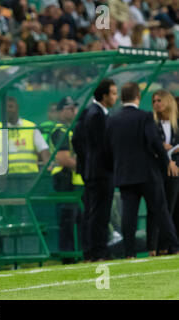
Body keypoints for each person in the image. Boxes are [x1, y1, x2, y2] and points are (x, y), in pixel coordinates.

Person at [104, 82, 179, 259]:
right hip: (147, 173)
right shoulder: (145, 117)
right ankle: (175, 246)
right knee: (161, 209)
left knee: (129, 214)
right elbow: (154, 142)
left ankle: (129, 253)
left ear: (121, 98)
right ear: (138, 97)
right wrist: (166, 161)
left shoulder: (112, 120)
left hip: (125, 174)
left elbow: (107, 148)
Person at [80, 79, 118, 262]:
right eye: (113, 93)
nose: (115, 97)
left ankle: (94, 250)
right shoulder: (96, 115)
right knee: (98, 214)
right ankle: (97, 252)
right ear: (104, 96)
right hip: (100, 172)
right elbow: (103, 146)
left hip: (96, 170)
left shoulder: (92, 112)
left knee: (96, 213)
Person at [50, 96, 84, 264]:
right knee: (68, 221)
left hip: (74, 181)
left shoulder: (70, 130)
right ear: (61, 111)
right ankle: (69, 257)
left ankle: (76, 254)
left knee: (77, 220)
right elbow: (63, 159)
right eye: (69, 108)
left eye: (73, 108)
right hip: (66, 181)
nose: (73, 111)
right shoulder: (60, 131)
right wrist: (85, 167)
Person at [148, 89, 179, 255]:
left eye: (159, 100)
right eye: (154, 101)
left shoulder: (176, 123)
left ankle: (168, 245)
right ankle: (154, 246)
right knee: (158, 207)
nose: (156, 104)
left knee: (172, 206)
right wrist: (161, 149)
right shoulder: (151, 123)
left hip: (175, 170)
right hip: (157, 169)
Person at [0, 96, 50, 175]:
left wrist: (48, 170)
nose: (8, 110)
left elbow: (44, 150)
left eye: (10, 106)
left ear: (17, 108)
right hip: (4, 178)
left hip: (29, 176)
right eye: (5, 107)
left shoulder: (31, 127)